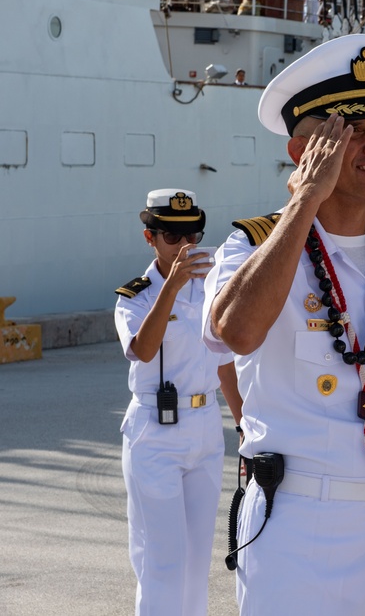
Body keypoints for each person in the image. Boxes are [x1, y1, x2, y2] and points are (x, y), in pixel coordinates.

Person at [203, 34, 365, 614]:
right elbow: (236, 333)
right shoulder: (251, 248)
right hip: (301, 526)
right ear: (304, 150)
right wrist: (304, 204)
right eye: (354, 133)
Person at [114, 189, 242, 615]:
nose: (186, 246)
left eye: (194, 234)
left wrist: (245, 429)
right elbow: (143, 350)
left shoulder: (211, 288)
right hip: (156, 432)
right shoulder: (135, 295)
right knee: (161, 560)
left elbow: (224, 363)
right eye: (173, 236)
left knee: (194, 562)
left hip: (205, 428)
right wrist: (171, 286)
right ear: (149, 238)